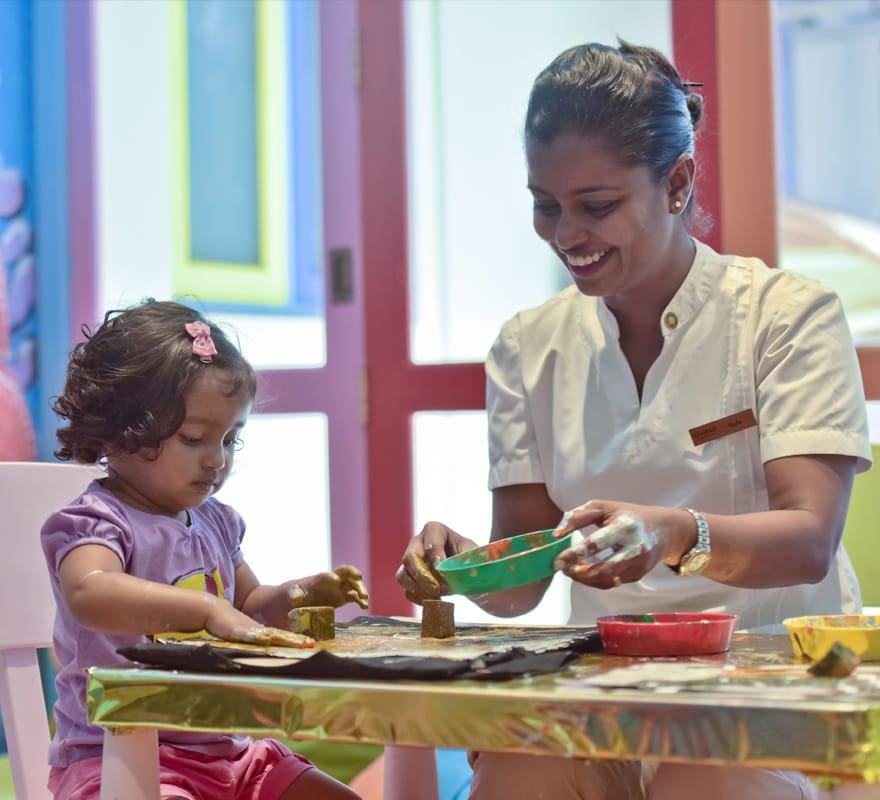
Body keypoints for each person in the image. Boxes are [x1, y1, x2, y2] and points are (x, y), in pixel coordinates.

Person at [397, 40, 872, 800]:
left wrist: (673, 532)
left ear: (676, 181)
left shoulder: (785, 317)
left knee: (704, 787)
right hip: (606, 697)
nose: (565, 236)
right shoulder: (528, 345)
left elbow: (809, 542)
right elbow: (522, 586)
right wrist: (461, 567)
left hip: (773, 689)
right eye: (544, 206)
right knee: (514, 781)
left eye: (597, 206)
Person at [42, 299, 367, 800]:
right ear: (121, 430)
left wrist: (301, 595)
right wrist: (205, 608)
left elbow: (252, 607)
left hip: (230, 751)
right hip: (121, 757)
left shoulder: (216, 521)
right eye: (195, 438)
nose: (217, 460)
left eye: (231, 439)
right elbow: (90, 592)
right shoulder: (97, 522)